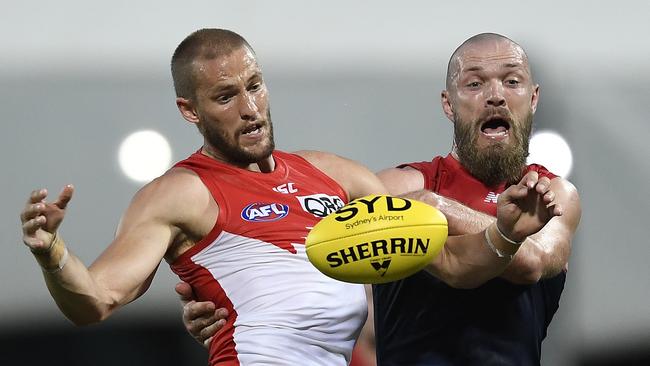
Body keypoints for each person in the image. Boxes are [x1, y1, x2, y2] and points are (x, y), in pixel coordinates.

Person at [20, 29, 563, 366]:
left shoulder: (334, 176)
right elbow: (94, 301)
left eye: (254, 86)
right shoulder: (178, 194)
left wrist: (504, 233)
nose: (249, 108)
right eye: (225, 97)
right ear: (191, 111)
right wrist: (52, 255)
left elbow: (450, 263)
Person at [181, 33, 581, 366]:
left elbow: (532, 262)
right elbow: (304, 255)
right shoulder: (395, 185)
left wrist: (437, 207)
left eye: (511, 81)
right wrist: (231, 303)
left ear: (532, 99)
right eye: (474, 84)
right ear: (448, 104)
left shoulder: (552, 193)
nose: (495, 96)